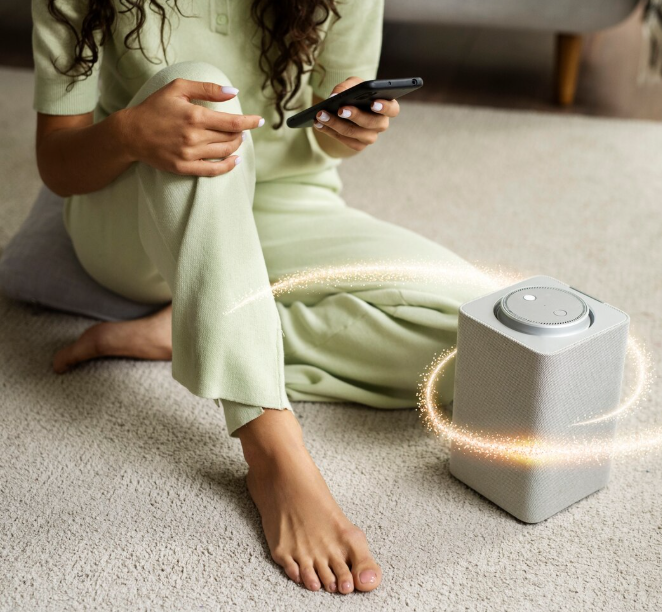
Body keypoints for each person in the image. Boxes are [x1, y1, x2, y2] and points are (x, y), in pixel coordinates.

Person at [33, 0, 477, 595]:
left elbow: (327, 142)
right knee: (201, 92)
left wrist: (351, 129)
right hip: (140, 209)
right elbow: (57, 162)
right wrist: (130, 132)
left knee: (480, 342)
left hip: (286, 199)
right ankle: (270, 446)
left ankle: (195, 323)